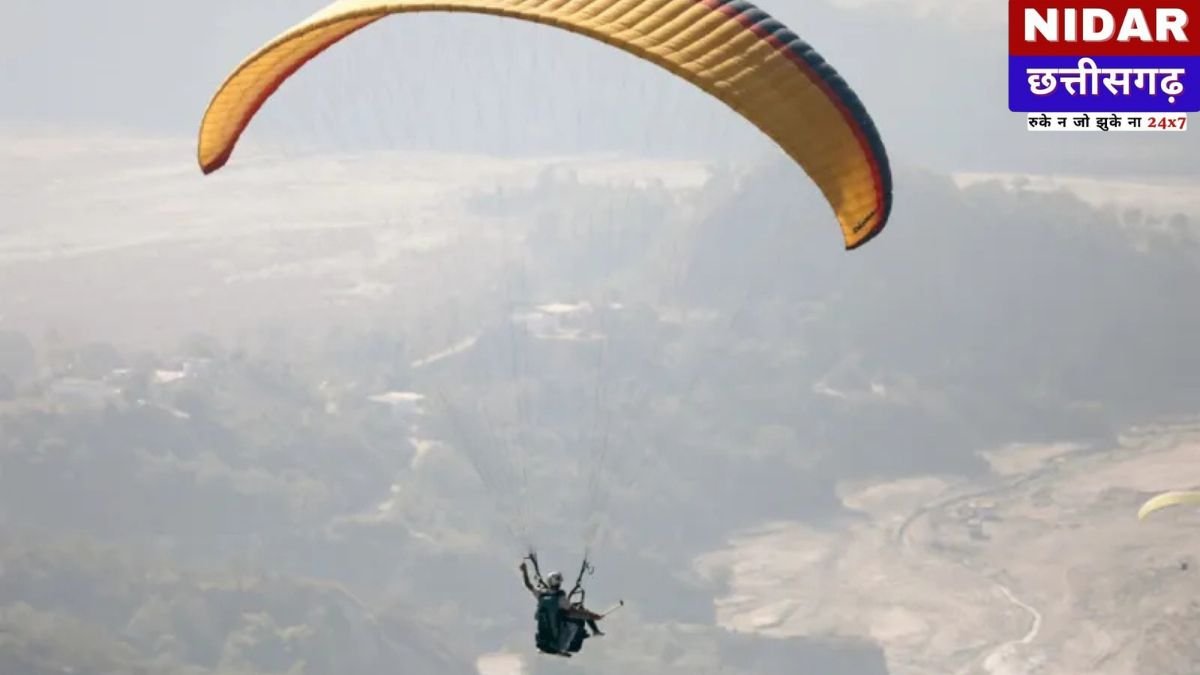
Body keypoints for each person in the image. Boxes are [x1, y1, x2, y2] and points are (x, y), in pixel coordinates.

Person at [520, 561, 605, 656]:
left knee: (566, 614)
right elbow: (575, 613)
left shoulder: (541, 596)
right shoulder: (561, 599)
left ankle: (594, 631)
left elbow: (528, 585)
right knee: (580, 614)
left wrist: (524, 571)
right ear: (559, 583)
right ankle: (595, 631)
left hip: (543, 643)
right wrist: (594, 616)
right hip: (559, 643)